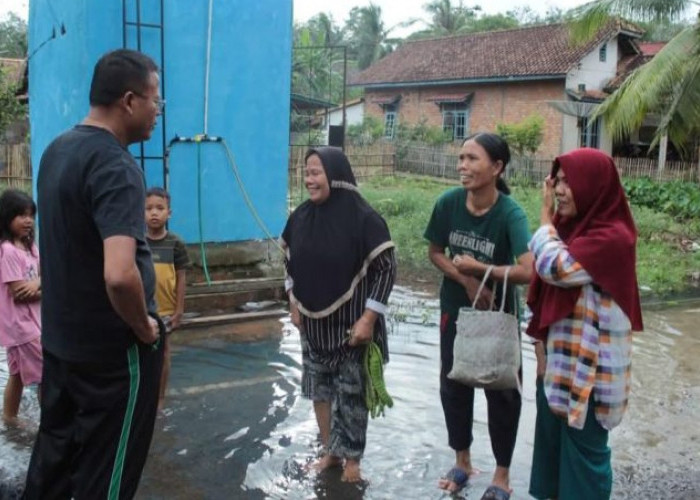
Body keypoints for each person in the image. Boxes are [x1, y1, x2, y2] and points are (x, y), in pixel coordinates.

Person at [24, 49, 165, 499]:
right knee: (108, 475)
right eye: (155, 99)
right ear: (129, 100)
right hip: (111, 357)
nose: (158, 110)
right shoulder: (117, 166)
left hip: (62, 346)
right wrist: (143, 326)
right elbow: (119, 275)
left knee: (55, 463)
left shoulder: (56, 150)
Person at [526, 148, 643, 500]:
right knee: (554, 459)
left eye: (568, 181)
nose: (559, 190)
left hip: (592, 375)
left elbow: (557, 269)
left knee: (585, 461)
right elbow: (543, 301)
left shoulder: (614, 237)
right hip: (558, 368)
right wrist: (541, 356)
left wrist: (545, 221)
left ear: (593, 185)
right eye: (557, 181)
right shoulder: (571, 231)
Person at [424, 132, 533, 500]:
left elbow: (528, 270)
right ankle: (463, 461)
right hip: (455, 312)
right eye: (461, 158)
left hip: (498, 318)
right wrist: (465, 279)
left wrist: (482, 269)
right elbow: (435, 252)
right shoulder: (448, 204)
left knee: (502, 392)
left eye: (472, 159)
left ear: (497, 167)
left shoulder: (510, 213)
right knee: (454, 385)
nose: (462, 166)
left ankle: (501, 476)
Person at [281, 146, 397, 483]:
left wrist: (368, 319)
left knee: (351, 394)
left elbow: (386, 269)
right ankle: (331, 451)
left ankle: (353, 463)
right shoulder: (300, 217)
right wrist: (293, 300)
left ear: (336, 175)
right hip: (313, 325)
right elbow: (287, 262)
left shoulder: (365, 219)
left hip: (352, 328)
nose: (309, 180)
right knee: (320, 390)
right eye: (306, 173)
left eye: (316, 172)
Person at [145, 187, 191, 410]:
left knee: (163, 353)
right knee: (143, 354)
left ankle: (160, 397)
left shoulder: (176, 244)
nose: (154, 213)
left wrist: (179, 310)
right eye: (149, 208)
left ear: (169, 213)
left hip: (166, 311)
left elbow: (181, 279)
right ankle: (143, 393)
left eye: (159, 208)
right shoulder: (137, 243)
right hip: (142, 311)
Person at [0, 189, 42, 425]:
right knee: (48, 372)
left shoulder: (30, 247)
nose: (28, 220)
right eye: (21, 215)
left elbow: (41, 278)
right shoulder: (7, 251)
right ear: (7, 218)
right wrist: (46, 288)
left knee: (16, 375)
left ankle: (9, 417)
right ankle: (53, 423)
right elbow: (20, 294)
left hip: (31, 321)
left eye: (30, 215)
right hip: (21, 326)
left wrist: (38, 283)